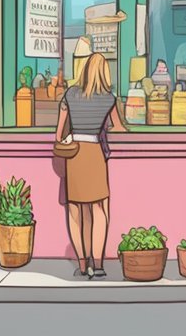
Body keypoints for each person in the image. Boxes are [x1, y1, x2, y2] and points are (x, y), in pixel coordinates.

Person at [54, 52, 127, 279]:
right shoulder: (109, 98)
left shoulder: (70, 94)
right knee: (99, 211)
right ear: (105, 72)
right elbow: (120, 128)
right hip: (95, 154)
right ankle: (99, 264)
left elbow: (59, 134)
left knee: (77, 213)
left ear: (84, 70)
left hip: (75, 156)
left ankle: (83, 263)